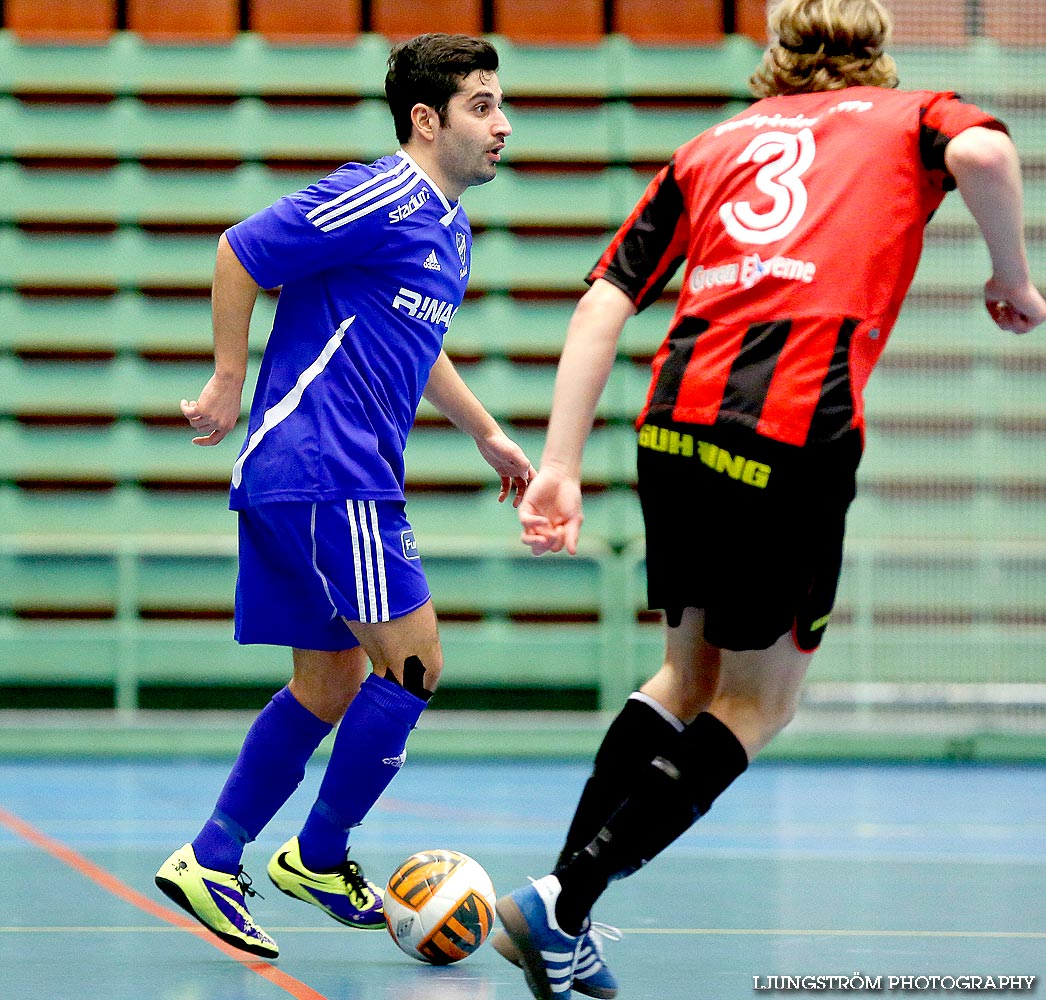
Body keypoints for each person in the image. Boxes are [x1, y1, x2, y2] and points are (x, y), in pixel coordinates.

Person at [492, 0, 1046, 996]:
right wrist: (1010, 276)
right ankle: (562, 901)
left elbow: (602, 300)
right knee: (757, 704)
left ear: (775, 59)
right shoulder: (913, 112)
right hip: (785, 433)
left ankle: (558, 913)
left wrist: (559, 464)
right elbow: (988, 160)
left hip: (671, 421)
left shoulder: (712, 144)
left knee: (683, 676)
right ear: (873, 54)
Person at [154, 33, 532, 960]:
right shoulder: (383, 192)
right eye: (483, 106)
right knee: (414, 664)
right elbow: (242, 251)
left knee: (328, 684)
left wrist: (484, 430)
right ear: (425, 119)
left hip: (312, 480)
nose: (504, 125)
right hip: (329, 471)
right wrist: (226, 380)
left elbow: (416, 340)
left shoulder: (448, 228)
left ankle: (214, 856)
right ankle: (319, 855)